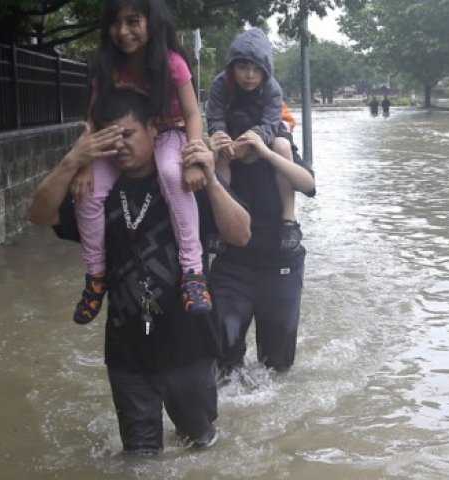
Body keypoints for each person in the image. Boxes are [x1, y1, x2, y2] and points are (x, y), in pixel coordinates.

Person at [28, 88, 251, 454]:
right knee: (140, 457)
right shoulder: (95, 191)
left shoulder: (186, 180)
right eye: (110, 139)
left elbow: (241, 234)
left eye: (128, 135)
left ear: (152, 129)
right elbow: (38, 215)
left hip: (190, 347)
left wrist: (210, 178)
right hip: (127, 354)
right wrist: (73, 161)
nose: (120, 148)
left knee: (201, 447)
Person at [70, 0, 211, 326]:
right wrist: (84, 164)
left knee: (169, 172)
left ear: (151, 22)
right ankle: (95, 275)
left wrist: (192, 158)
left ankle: (192, 270)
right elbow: (92, 117)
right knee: (88, 192)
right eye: (116, 23)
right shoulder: (106, 66)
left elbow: (192, 114)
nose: (123, 31)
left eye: (133, 21)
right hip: (120, 137)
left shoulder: (171, 63)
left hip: (168, 133)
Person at [209, 124, 316, 375]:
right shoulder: (223, 158)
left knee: (277, 366)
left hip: (280, 262)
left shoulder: (278, 151)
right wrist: (210, 154)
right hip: (232, 264)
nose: (243, 146)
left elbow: (309, 186)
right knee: (224, 360)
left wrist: (268, 154)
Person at [206, 28, 302, 251]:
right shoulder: (220, 85)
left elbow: (270, 122)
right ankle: (220, 220)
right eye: (242, 67)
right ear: (232, 67)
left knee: (282, 145)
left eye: (256, 69)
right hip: (232, 128)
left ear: (265, 70)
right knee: (220, 151)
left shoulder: (272, 88)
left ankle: (289, 218)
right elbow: (215, 117)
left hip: (266, 131)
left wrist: (255, 140)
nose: (249, 75)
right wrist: (221, 136)